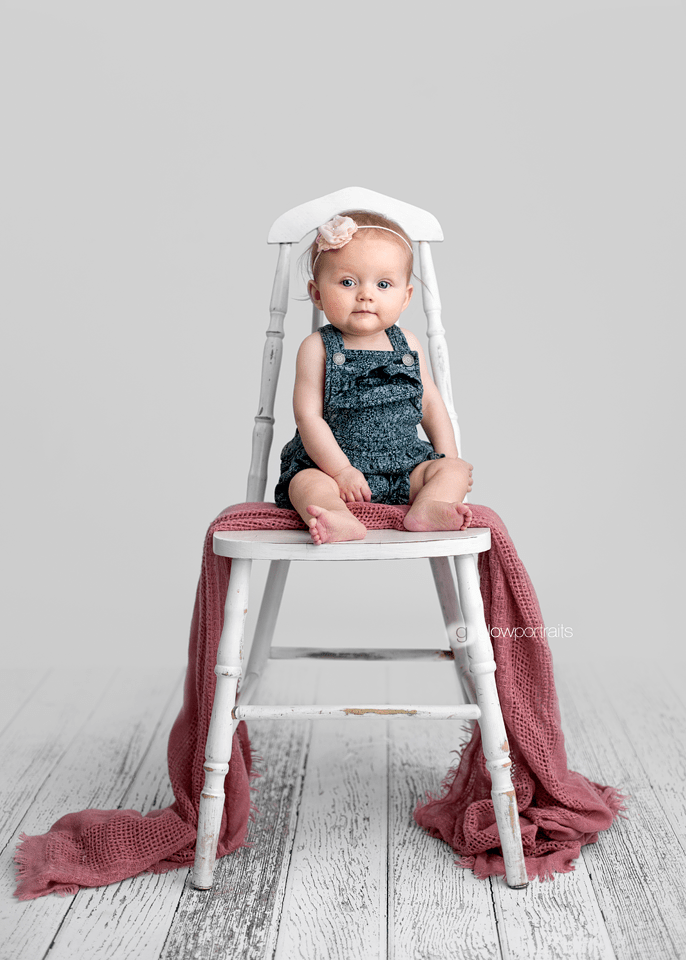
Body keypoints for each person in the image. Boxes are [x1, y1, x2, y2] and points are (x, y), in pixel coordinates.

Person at [274, 210, 474, 545]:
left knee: (455, 470)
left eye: (383, 284)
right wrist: (340, 471)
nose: (366, 295)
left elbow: (430, 403)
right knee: (305, 484)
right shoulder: (316, 348)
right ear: (317, 293)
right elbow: (308, 418)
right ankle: (334, 516)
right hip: (335, 469)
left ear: (405, 297)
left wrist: (446, 457)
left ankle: (428, 507)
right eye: (348, 282)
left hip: (405, 467)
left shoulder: (408, 344)